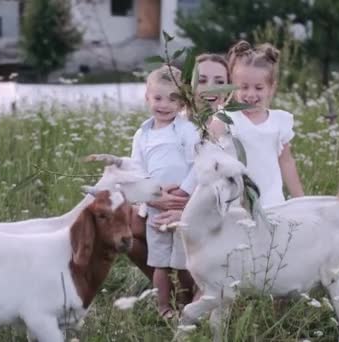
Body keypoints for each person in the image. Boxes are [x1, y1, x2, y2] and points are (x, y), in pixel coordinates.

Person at [130, 65, 198, 318]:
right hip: (156, 207)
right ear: (147, 97)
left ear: (182, 102)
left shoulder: (185, 129)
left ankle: (184, 303)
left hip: (182, 205)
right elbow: (137, 169)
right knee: (159, 261)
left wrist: (184, 191)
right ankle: (162, 307)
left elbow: (196, 165)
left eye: (173, 98)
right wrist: (153, 192)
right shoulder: (142, 134)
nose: (165, 105)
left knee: (181, 262)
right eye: (158, 98)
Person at [208, 41, 304, 206]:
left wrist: (301, 201)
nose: (251, 94)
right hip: (235, 205)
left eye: (258, 88)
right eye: (244, 87)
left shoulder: (279, 121)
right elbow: (209, 157)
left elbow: (287, 162)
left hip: (271, 204)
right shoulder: (226, 119)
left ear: (271, 88)